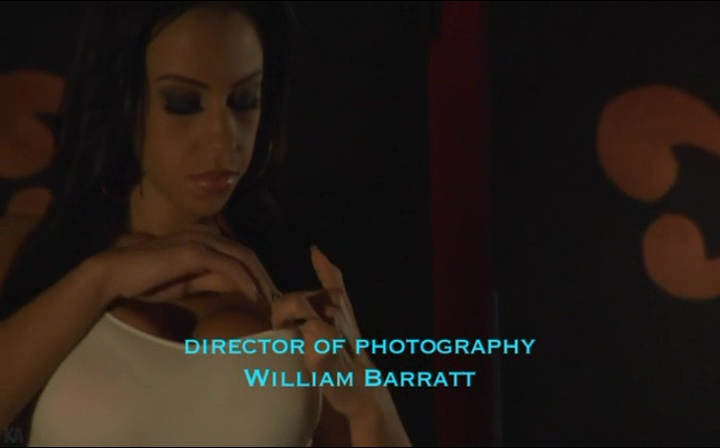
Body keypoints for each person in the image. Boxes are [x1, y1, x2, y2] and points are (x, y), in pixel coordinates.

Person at [0, 1, 412, 446]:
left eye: (245, 100)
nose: (223, 138)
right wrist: (100, 279)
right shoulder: (30, 253)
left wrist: (369, 404)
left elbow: (366, 420)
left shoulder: (295, 279)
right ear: (123, 99)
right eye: (184, 103)